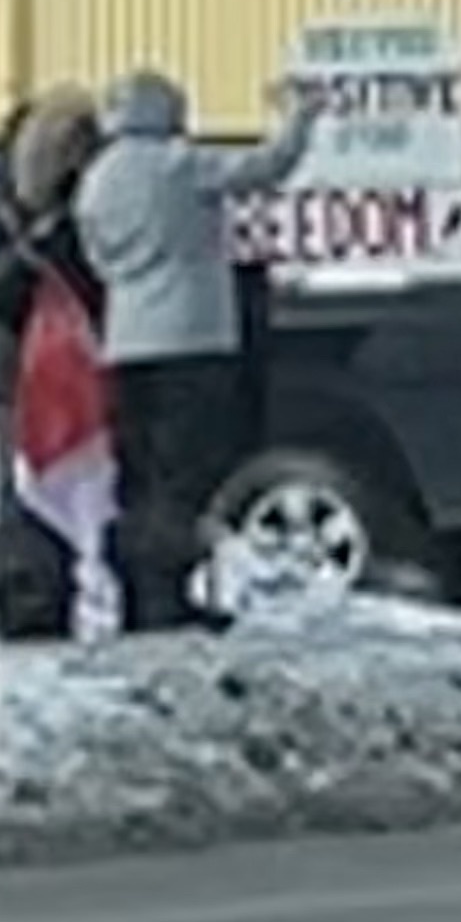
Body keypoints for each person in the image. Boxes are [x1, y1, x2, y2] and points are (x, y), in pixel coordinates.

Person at [74, 67, 312, 631]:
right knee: (187, 473)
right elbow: (268, 167)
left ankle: (135, 591)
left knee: (139, 476)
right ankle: (170, 594)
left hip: (125, 342)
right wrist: (299, 116)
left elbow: (96, 260)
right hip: (192, 339)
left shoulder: (97, 179)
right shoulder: (180, 166)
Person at [0, 87, 110, 640]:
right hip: (12, 377)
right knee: (23, 492)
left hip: (73, 378)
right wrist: (37, 247)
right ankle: (23, 597)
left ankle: (62, 590)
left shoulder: (90, 219)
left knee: (71, 485)